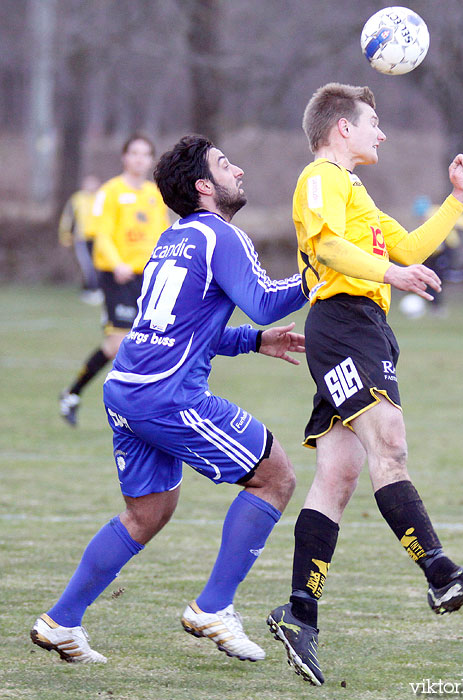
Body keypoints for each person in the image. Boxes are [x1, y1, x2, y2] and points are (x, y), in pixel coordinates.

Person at [266, 83, 463, 686]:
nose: (381, 132)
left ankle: (299, 613)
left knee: (340, 474)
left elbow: (404, 246)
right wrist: (391, 274)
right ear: (341, 129)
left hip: (363, 325)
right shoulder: (321, 175)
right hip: (345, 323)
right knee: (391, 444)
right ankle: (440, 573)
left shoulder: (353, 187)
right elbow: (328, 247)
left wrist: (458, 201)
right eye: (372, 122)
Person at [31, 134, 307, 664]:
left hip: (126, 390)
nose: (240, 171)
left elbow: (181, 329)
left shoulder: (174, 236)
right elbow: (266, 302)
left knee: (148, 513)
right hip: (167, 398)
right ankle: (213, 607)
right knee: (276, 477)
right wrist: (323, 269)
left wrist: (252, 340)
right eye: (227, 165)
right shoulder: (221, 236)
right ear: (206, 187)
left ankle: (61, 621)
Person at [59, 134, 169, 427]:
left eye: (145, 154)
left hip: (147, 279)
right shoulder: (110, 192)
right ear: (124, 157)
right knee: (119, 344)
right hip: (118, 277)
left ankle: (72, 393)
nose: (139, 159)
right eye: (133, 153)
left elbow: (163, 234)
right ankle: (89, 398)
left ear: (150, 160)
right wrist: (118, 263)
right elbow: (101, 235)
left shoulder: (154, 194)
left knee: (145, 344)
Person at [411, 194, 463, 315]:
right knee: (433, 277)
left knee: (441, 276)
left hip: (445, 250)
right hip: (433, 253)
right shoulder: (425, 217)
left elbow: (460, 219)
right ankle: (435, 306)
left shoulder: (435, 213)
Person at [57, 174, 103, 305]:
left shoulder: (101, 198)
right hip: (81, 238)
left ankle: (96, 289)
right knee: (87, 265)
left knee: (98, 264)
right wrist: (65, 234)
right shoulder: (77, 199)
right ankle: (90, 290)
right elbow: (68, 218)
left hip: (98, 238)